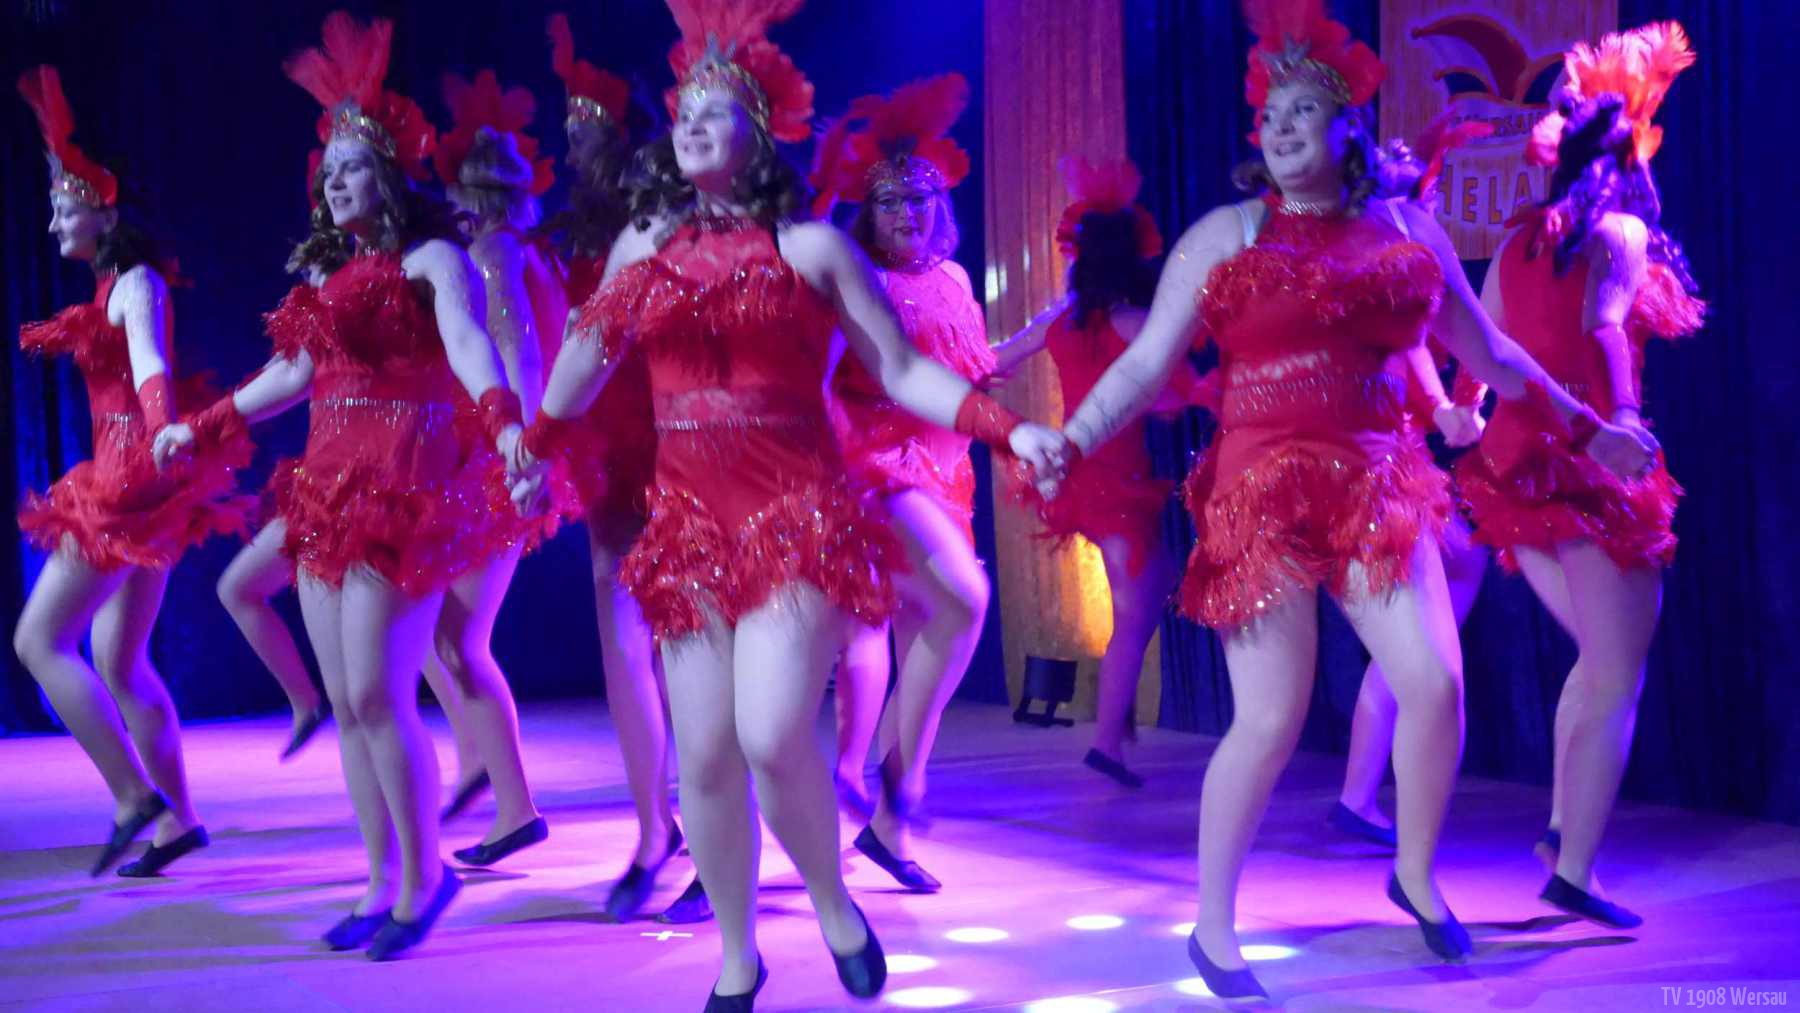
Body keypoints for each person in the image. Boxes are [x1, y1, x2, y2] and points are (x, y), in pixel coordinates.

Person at [1039, 0, 1660, 995]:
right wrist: (1070, 439)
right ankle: (1213, 928)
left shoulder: (1407, 229)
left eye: (1302, 112)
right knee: (1269, 717)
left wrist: (1594, 427)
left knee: (1435, 685)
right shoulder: (1224, 235)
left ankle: (1413, 874)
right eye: (1269, 116)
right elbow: (1147, 363)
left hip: (1378, 481)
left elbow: (1495, 356)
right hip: (1259, 490)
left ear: (1349, 127)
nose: (1281, 130)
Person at [509, 1, 1067, 1004]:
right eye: (683, 109)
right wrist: (536, 443)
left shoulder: (812, 248)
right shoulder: (643, 245)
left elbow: (902, 370)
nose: (690, 122)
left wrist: (1007, 428)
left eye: (714, 109)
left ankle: (832, 899)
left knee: (770, 734)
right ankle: (738, 953)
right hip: (687, 526)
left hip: (795, 517)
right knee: (706, 757)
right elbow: (586, 357)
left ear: (759, 129)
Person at [155, 12, 527, 960]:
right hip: (324, 489)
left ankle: (428, 875)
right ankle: (380, 877)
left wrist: (504, 421)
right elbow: (289, 376)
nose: (335, 180)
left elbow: (470, 344)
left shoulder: (433, 260)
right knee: (350, 702)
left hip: (401, 487)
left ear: (391, 176)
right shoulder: (328, 278)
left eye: (355, 167)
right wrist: (203, 425)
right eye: (329, 169)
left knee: (378, 691)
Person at [1456, 21, 1703, 929]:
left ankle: (1564, 833)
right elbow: (1605, 325)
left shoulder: (1519, 240)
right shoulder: (1623, 229)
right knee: (1614, 679)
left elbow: (1484, 345)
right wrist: (1624, 420)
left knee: (1594, 667)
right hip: (1592, 466)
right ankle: (1576, 871)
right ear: (1632, 154)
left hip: (1516, 469)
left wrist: (1463, 410)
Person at [12, 65, 248, 878]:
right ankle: (177, 820)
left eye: (64, 206)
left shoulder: (135, 284)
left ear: (106, 210)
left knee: (38, 639)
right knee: (119, 658)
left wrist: (160, 428)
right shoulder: (116, 282)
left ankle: (131, 797)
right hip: (146, 475)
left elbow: (150, 361)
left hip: (128, 477)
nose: (52, 221)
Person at [811, 72, 993, 893]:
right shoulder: (858, 280)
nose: (905, 215)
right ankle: (879, 776)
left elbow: (964, 372)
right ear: (868, 212)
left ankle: (888, 824)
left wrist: (1033, 344)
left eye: (918, 201)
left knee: (926, 638)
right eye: (888, 203)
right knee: (932, 608)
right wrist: (844, 463)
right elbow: (818, 382)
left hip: (948, 473)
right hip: (879, 470)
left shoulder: (956, 281)